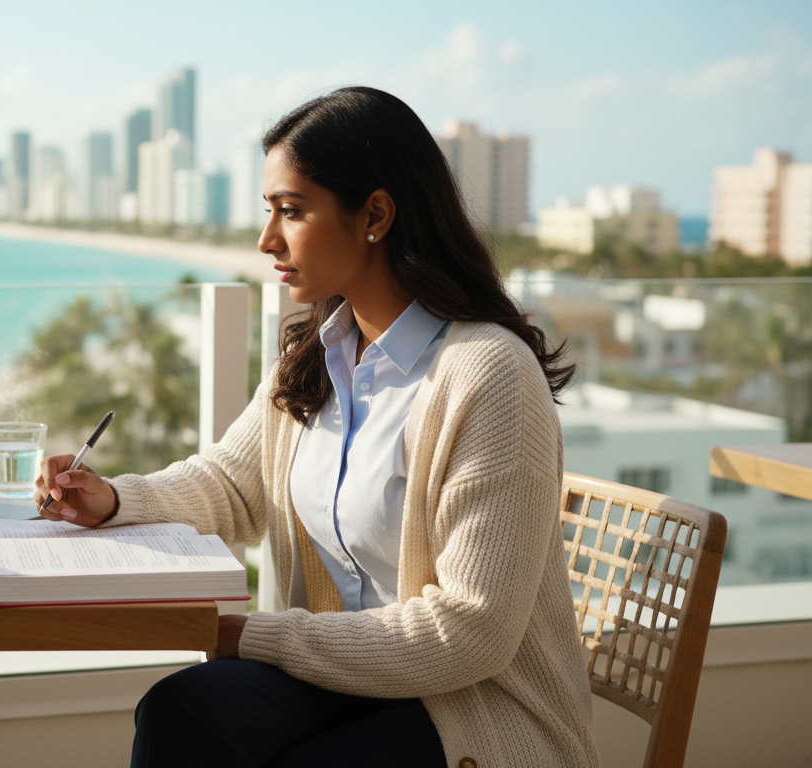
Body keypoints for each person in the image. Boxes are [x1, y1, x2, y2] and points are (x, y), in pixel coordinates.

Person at [34, 87, 599, 768]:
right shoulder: (316, 353)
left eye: (291, 211)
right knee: (181, 710)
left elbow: (471, 633)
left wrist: (256, 636)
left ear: (376, 215)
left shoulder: (488, 375)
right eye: (268, 211)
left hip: (475, 710)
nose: (267, 239)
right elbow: (232, 485)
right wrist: (115, 498)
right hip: (353, 680)